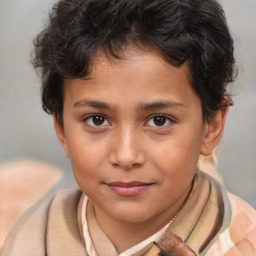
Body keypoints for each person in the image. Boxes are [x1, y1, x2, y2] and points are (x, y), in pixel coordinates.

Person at [1, 0, 256, 255]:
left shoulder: (241, 241)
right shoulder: (23, 239)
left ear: (211, 125)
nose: (126, 156)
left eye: (159, 120)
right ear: (61, 129)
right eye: (97, 120)